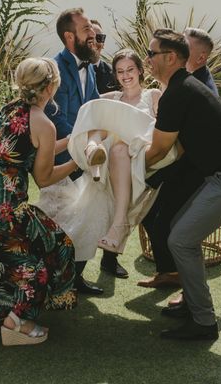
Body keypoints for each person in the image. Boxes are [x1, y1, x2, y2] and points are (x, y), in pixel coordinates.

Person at [144, 29, 221, 340]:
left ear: (170, 58)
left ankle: (203, 322)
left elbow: (157, 150)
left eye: (151, 54)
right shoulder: (184, 87)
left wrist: (127, 167)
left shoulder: (177, 92)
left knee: (181, 240)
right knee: (180, 231)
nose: (147, 59)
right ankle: (191, 302)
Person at [0, 57, 77, 346]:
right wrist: (79, 160)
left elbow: (29, 148)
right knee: (50, 246)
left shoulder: (9, 109)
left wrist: (72, 140)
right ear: (51, 87)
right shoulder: (44, 123)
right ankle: (17, 322)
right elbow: (45, 175)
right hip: (4, 199)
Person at [60, 49, 163, 264]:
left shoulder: (153, 95)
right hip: (112, 159)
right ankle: (93, 149)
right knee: (97, 112)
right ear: (115, 75)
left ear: (140, 71)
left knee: (119, 145)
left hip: (139, 153)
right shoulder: (111, 98)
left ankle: (118, 223)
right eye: (120, 71)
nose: (125, 75)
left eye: (130, 70)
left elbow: (160, 130)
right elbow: (89, 113)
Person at [42, 7, 104, 295]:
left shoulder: (89, 67)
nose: (93, 34)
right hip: (59, 161)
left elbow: (92, 108)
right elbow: (55, 116)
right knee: (61, 223)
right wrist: (83, 143)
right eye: (87, 29)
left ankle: (74, 279)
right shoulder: (54, 69)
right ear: (70, 37)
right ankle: (52, 283)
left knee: (84, 220)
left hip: (84, 158)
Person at [89, 19, 127, 279]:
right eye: (93, 38)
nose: (98, 43)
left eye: (101, 38)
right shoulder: (70, 70)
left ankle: (110, 259)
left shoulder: (109, 71)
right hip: (83, 144)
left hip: (111, 146)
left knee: (114, 202)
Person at [90, 20, 118, 94]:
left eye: (99, 38)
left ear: (103, 43)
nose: (95, 42)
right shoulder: (69, 73)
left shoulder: (114, 75)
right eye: (91, 38)